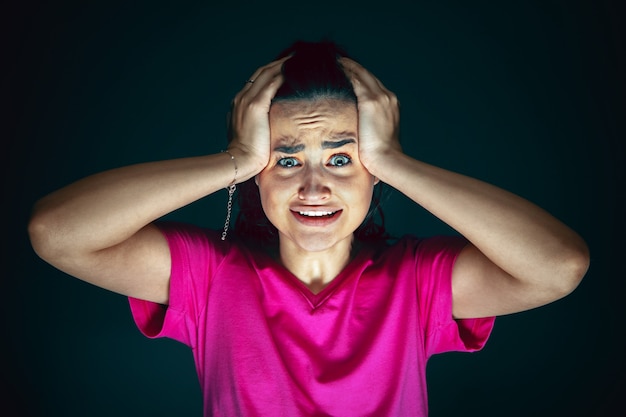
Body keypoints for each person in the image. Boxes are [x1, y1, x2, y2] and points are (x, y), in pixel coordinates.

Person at [28, 40, 590, 416]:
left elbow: (559, 267)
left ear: (374, 169)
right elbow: (57, 232)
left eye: (343, 159)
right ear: (256, 175)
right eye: (286, 159)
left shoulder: (418, 283)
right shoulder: (209, 279)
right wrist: (235, 158)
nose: (314, 188)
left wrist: (396, 162)